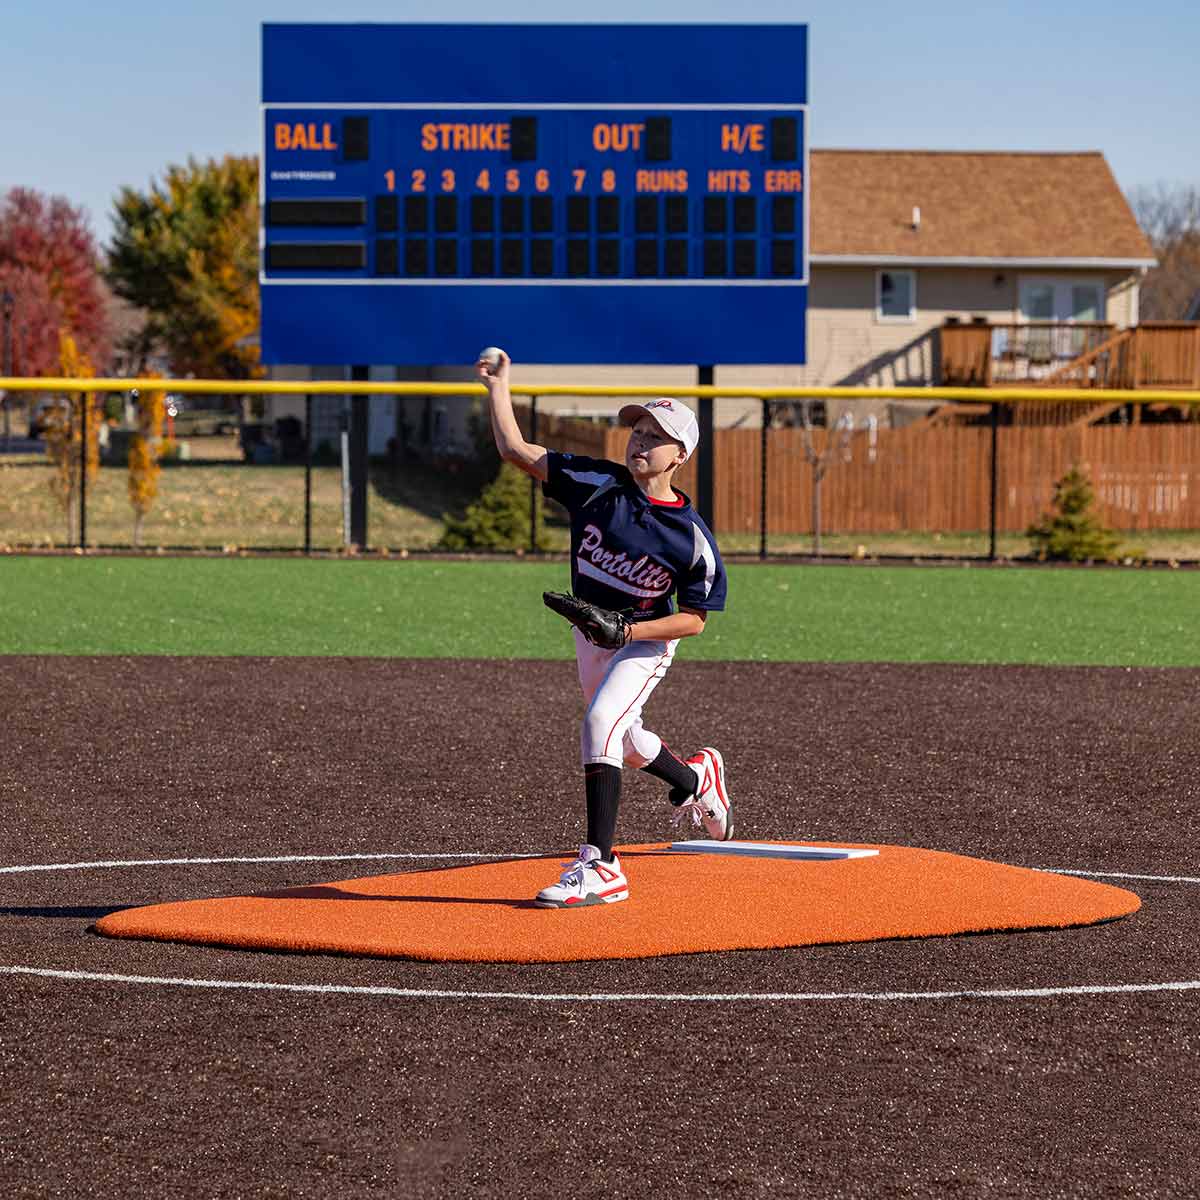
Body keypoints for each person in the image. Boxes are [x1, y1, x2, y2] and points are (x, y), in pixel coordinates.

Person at [476, 349, 731, 909]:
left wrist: (628, 633)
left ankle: (601, 864)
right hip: (592, 634)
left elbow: (694, 619)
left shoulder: (690, 538)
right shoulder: (597, 483)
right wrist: (500, 386)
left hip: (646, 640)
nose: (640, 440)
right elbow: (515, 450)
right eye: (637, 428)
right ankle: (695, 781)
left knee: (599, 722)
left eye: (656, 434)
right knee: (626, 738)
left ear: (680, 454)